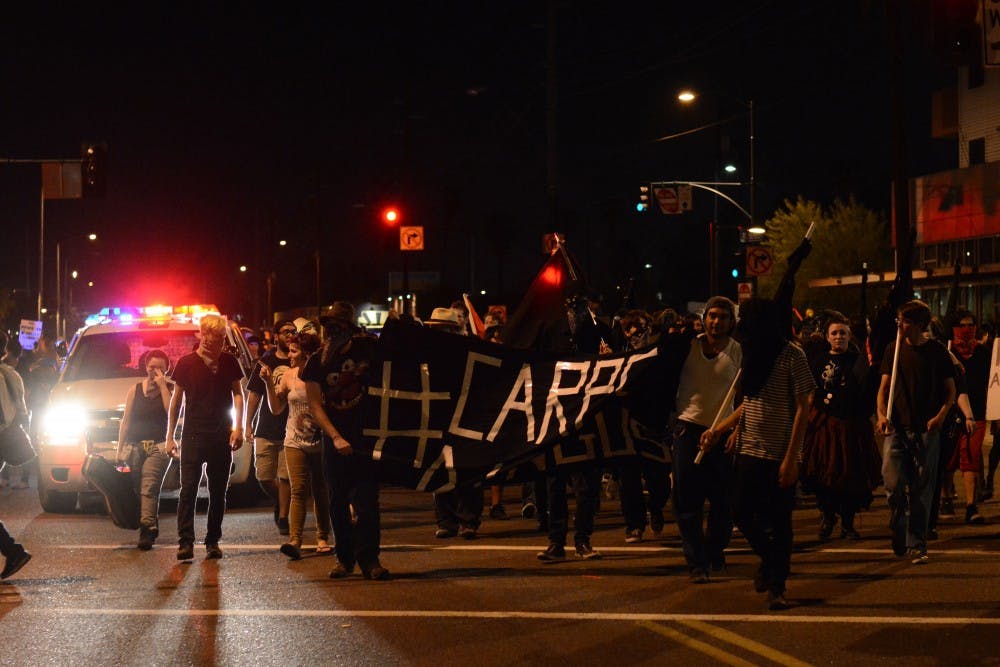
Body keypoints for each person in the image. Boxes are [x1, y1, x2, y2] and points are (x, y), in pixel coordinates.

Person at [703, 298, 814, 610]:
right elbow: (748, 403)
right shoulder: (751, 356)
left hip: (780, 452)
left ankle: (777, 585)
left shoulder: (793, 355)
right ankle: (771, 560)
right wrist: (720, 430)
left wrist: (792, 458)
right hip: (749, 450)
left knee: (780, 521)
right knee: (739, 510)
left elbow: (804, 407)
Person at [303, 301, 389, 580]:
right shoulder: (317, 361)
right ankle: (344, 558)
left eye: (336, 326)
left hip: (365, 439)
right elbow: (315, 404)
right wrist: (336, 436)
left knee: (366, 502)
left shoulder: (369, 351)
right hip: (335, 440)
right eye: (327, 326)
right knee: (337, 501)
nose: (330, 332)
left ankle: (370, 559)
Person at [876, 300, 956, 565]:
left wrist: (940, 416)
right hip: (897, 428)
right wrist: (881, 414)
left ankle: (917, 544)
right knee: (892, 483)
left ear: (920, 324)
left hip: (926, 430)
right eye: (899, 320)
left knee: (922, 489)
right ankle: (898, 520)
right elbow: (884, 388)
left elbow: (951, 392)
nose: (900, 325)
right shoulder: (892, 349)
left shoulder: (936, 352)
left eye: (906, 321)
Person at [670, 296, 742, 583]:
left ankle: (714, 550)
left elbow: (746, 398)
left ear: (731, 321)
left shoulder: (739, 352)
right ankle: (696, 562)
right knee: (687, 503)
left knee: (724, 503)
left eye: (723, 317)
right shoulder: (686, 347)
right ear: (704, 319)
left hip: (722, 433)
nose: (716, 322)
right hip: (688, 431)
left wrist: (735, 431)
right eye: (712, 316)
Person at [167, 314, 245, 561]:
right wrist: (170, 436)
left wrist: (238, 427)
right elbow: (176, 401)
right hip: (192, 435)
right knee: (188, 489)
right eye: (217, 337)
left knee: (218, 490)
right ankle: (185, 542)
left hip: (221, 435)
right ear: (204, 335)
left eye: (223, 337)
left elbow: (238, 394)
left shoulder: (230, 362)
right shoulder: (186, 363)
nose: (221, 341)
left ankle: (213, 540)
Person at [801, 312, 881, 541]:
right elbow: (810, 391)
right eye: (834, 333)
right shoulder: (817, 361)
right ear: (827, 337)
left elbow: (868, 391)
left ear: (849, 336)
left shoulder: (859, 360)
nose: (839, 337)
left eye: (843, 333)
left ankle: (847, 523)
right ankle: (827, 517)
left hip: (852, 426)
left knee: (850, 478)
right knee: (822, 476)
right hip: (825, 424)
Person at [261, 332, 331, 559]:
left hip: (319, 441)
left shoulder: (321, 376)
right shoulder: (288, 376)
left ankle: (323, 538)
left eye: (294, 351)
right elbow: (276, 409)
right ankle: (295, 541)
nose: (289, 355)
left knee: (320, 490)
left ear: (307, 354)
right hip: (293, 440)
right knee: (298, 490)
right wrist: (268, 384)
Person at [117, 349, 174, 550]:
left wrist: (163, 386)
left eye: (159, 368)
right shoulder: (135, 389)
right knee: (133, 486)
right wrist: (120, 449)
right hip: (134, 446)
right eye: (151, 367)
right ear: (145, 367)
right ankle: (148, 520)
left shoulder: (170, 389)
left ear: (166, 369)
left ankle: (147, 529)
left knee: (149, 486)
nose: (154, 371)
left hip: (158, 446)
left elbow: (171, 412)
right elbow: (126, 421)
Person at [244, 320, 295, 536]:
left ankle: (284, 517)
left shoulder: (299, 361)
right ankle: (281, 502)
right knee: (264, 477)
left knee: (285, 476)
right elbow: (254, 395)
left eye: (293, 332)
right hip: (265, 427)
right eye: (286, 332)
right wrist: (247, 423)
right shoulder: (266, 362)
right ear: (276, 337)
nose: (291, 335)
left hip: (291, 428)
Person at [948, 310, 989, 525]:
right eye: (962, 324)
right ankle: (945, 498)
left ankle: (971, 505)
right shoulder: (947, 351)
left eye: (971, 324)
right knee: (948, 458)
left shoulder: (983, 352)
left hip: (978, 412)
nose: (967, 328)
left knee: (971, 456)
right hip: (951, 413)